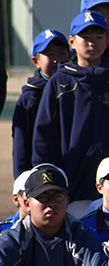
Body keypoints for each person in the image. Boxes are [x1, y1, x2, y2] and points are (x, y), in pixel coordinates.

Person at [32, 11, 109, 217]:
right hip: (74, 187)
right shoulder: (60, 83)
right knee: (78, 244)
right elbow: (44, 138)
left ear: (107, 41)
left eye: (99, 37)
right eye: (86, 37)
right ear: (72, 42)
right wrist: (54, 182)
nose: (93, 43)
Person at [12, 29, 70, 177]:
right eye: (50, 54)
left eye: (62, 53)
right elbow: (21, 145)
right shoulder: (30, 98)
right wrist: (22, 180)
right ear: (36, 61)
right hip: (41, 175)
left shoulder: (75, 89)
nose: (57, 59)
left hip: (74, 170)